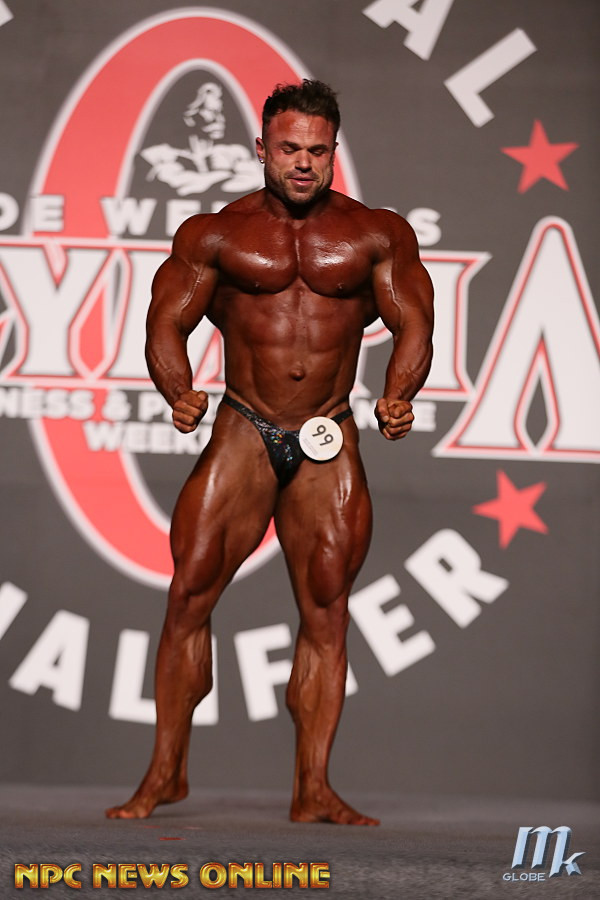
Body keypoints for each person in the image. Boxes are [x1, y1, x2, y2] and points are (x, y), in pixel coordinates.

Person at [106, 80, 433, 826]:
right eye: (289, 148)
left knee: (326, 607)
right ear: (262, 148)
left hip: (328, 434)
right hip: (244, 428)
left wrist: (399, 392)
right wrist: (177, 390)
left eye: (317, 150)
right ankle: (165, 773)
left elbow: (414, 320)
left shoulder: (377, 234)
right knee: (189, 593)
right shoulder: (214, 235)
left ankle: (313, 788)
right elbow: (165, 323)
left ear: (334, 152)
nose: (303, 162)